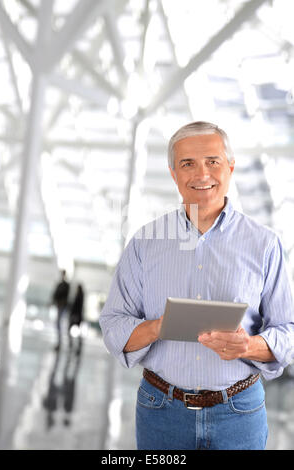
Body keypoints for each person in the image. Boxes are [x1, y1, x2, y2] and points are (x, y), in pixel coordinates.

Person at [99, 121, 294, 450]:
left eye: (213, 162)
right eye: (188, 164)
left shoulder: (265, 245)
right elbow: (113, 325)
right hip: (160, 411)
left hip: (239, 414)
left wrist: (248, 346)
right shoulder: (145, 244)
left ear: (230, 167)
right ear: (174, 174)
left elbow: (289, 330)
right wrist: (159, 327)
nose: (202, 174)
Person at [52, 270, 70, 351]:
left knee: (59, 324)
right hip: (59, 306)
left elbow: (66, 297)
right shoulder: (60, 284)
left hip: (62, 306)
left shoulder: (66, 285)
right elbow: (55, 294)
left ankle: (60, 343)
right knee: (58, 324)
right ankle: (59, 342)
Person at [68, 284, 84, 354]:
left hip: (76, 317)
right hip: (77, 316)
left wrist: (74, 315)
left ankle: (74, 346)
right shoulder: (80, 296)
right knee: (76, 332)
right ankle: (77, 346)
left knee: (73, 331)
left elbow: (77, 308)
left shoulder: (79, 297)